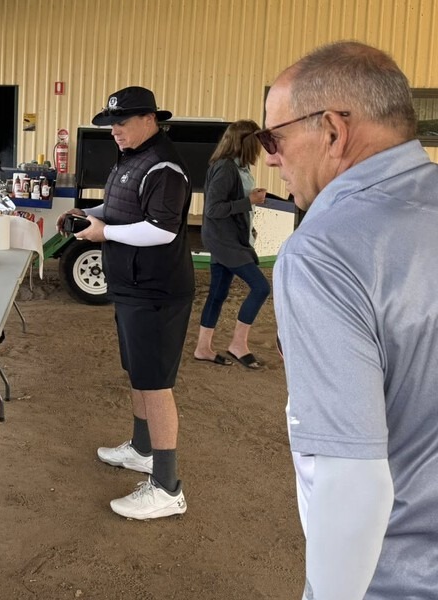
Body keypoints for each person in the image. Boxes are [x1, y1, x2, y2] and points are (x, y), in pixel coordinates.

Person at [269, 41, 438, 600]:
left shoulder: (323, 253)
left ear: (333, 132)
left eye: (274, 138)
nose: (270, 158)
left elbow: (350, 478)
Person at [57, 86, 193, 520]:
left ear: (150, 119)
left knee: (155, 383)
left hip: (156, 291)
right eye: (110, 124)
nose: (114, 130)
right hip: (132, 286)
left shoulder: (164, 166)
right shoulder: (132, 157)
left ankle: (167, 487)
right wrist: (90, 214)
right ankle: (142, 448)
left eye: (121, 122)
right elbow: (122, 206)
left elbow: (162, 230)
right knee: (138, 372)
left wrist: (105, 233)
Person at [192, 120, 270, 369]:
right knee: (261, 287)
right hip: (224, 241)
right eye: (257, 141)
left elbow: (231, 203)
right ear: (246, 142)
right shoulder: (226, 168)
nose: (260, 147)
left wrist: (248, 217)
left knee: (218, 293)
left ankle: (203, 348)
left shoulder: (238, 166)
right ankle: (238, 344)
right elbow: (213, 209)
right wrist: (249, 201)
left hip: (230, 238)